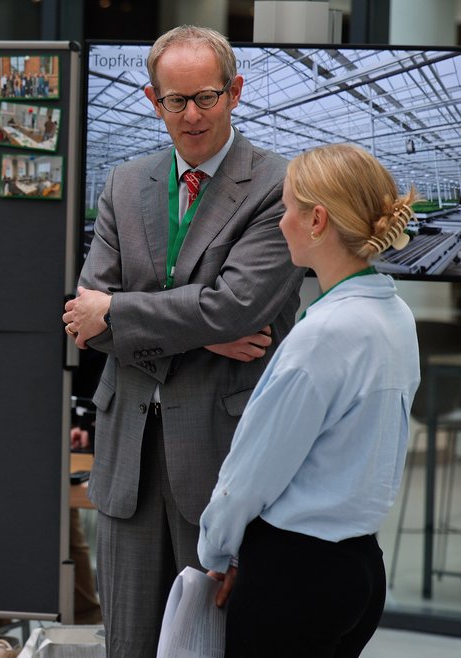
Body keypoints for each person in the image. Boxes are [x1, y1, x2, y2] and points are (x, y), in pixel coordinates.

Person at [61, 25, 305, 657]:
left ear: (235, 92)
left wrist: (122, 313)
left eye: (207, 97)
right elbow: (88, 314)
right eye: (176, 100)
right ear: (153, 100)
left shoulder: (279, 186)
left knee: (212, 644)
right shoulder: (125, 183)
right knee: (130, 644)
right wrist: (203, 332)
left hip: (219, 457)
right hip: (128, 461)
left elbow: (239, 306)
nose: (192, 114)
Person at [198, 143, 420, 657]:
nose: (280, 223)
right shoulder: (396, 318)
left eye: (287, 208)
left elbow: (252, 471)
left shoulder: (323, 335)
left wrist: (218, 550)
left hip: (293, 575)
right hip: (360, 567)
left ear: (317, 219)